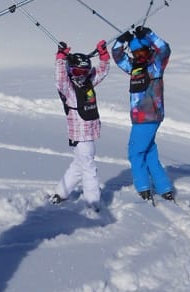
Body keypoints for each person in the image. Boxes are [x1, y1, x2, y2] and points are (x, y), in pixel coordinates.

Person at [111, 26, 174, 205]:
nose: (139, 57)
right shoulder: (134, 67)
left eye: (142, 52)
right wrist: (121, 41)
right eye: (136, 53)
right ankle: (164, 188)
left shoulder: (156, 65)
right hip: (142, 118)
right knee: (149, 152)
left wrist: (148, 34)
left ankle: (143, 188)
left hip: (148, 117)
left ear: (149, 50)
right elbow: (118, 56)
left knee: (135, 152)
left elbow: (165, 49)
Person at [48, 40, 110, 212]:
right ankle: (93, 203)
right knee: (89, 168)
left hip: (89, 134)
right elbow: (60, 79)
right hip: (80, 137)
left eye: (84, 71)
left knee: (79, 165)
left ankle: (61, 193)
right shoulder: (67, 89)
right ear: (70, 70)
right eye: (76, 71)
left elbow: (102, 71)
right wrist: (60, 58)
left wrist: (103, 55)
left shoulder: (88, 82)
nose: (81, 75)